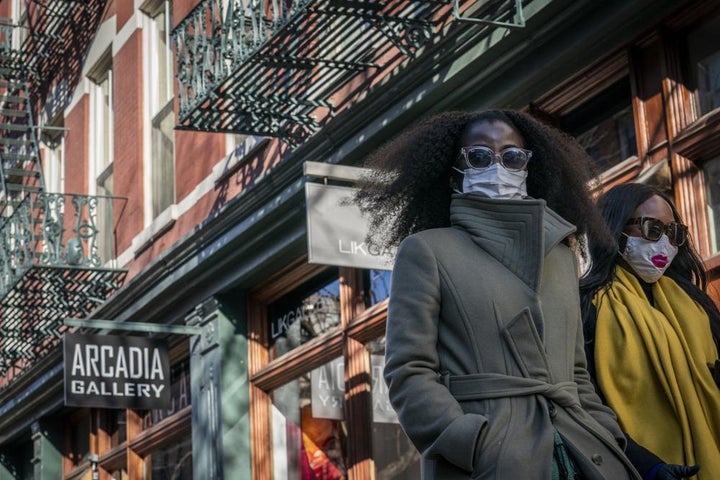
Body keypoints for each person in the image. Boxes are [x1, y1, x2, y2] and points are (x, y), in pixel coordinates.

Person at [355, 109, 640, 480]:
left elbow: (576, 371)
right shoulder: (427, 251)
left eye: (511, 156)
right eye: (478, 156)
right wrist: (469, 441)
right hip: (493, 461)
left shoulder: (560, 255)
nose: (497, 167)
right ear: (453, 168)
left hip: (582, 451)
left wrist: (607, 432)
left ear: (529, 166)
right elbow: (408, 370)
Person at [581, 183, 720, 480]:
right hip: (637, 467)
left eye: (673, 233)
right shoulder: (586, 307)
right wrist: (648, 466)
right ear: (613, 228)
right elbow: (585, 400)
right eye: (651, 228)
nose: (665, 244)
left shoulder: (696, 303)